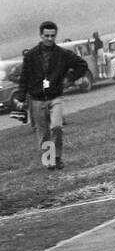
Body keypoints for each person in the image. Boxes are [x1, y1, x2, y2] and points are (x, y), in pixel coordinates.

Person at [9, 20, 92, 169]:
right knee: (43, 132)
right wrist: (20, 97)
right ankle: (49, 161)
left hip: (55, 97)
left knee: (57, 127)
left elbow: (82, 65)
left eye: (52, 35)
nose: (50, 39)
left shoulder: (63, 54)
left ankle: (58, 157)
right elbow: (24, 78)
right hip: (36, 99)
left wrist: (69, 79)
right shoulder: (31, 56)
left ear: (55, 35)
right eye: (46, 35)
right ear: (41, 35)